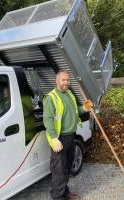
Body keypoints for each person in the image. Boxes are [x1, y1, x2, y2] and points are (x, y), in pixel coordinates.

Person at [43, 70, 92, 200]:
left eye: (68, 80)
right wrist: (54, 138)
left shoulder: (69, 94)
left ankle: (64, 191)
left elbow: (75, 111)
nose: (66, 82)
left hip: (71, 136)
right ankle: (57, 196)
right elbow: (47, 119)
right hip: (59, 139)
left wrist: (85, 108)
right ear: (57, 81)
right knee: (59, 170)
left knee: (67, 167)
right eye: (63, 80)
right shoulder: (51, 97)